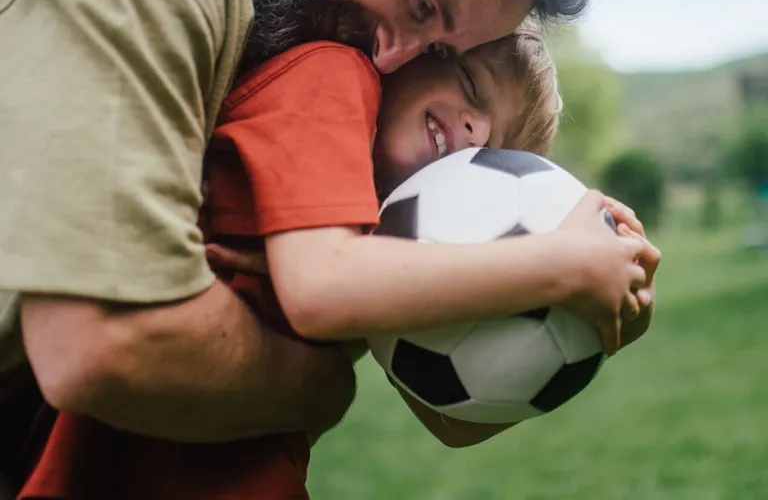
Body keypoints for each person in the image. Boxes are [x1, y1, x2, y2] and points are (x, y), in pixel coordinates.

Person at [0, 0, 598, 455]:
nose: (391, 57)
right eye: (421, 0)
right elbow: (105, 344)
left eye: (438, 53)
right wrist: (322, 389)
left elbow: (450, 418)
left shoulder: (288, 31)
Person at [14, 30, 658, 500]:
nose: (472, 128)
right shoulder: (331, 76)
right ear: (414, 49)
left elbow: (451, 423)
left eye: (493, 139)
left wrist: (604, 324)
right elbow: (319, 290)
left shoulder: (391, 240)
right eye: (470, 86)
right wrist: (561, 264)